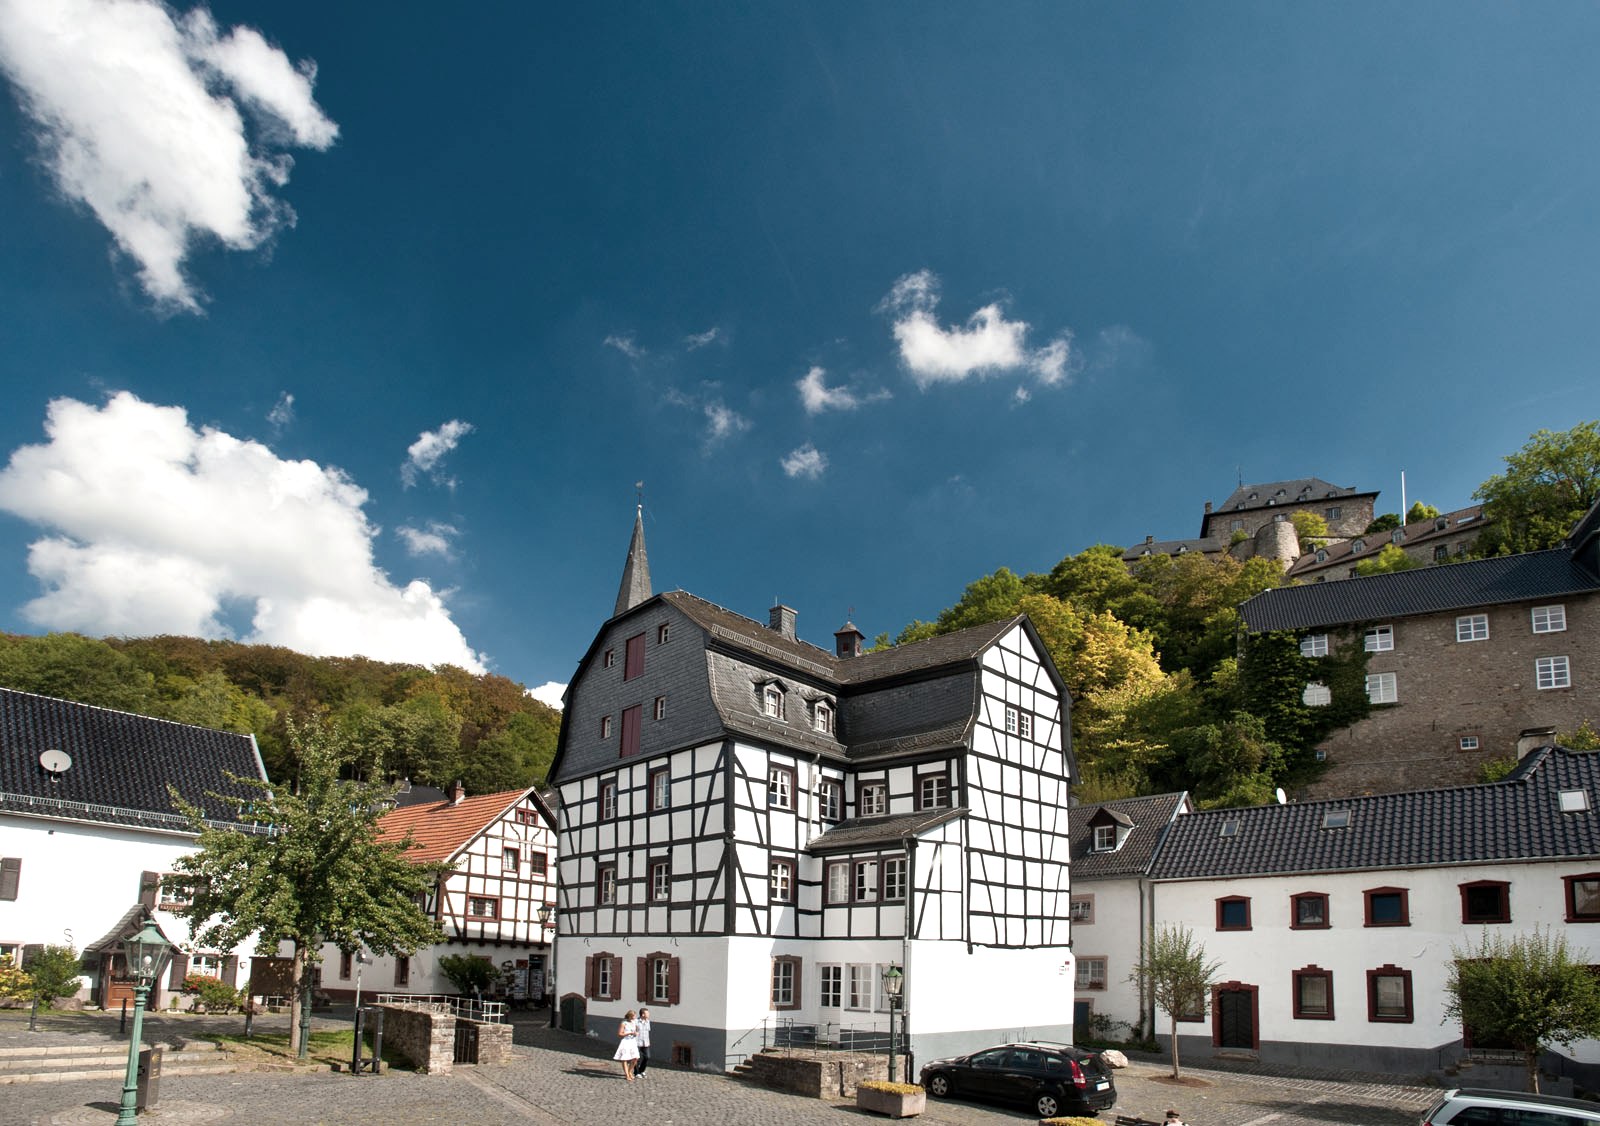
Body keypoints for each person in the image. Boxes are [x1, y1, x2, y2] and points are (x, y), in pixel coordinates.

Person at [613, 1010, 640, 1080]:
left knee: (636, 1058)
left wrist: (636, 1033)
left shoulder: (634, 1022)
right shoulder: (624, 1023)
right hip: (626, 1042)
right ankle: (627, 1074)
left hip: (633, 1041)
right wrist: (629, 1033)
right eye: (634, 1016)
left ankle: (629, 1071)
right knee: (624, 1058)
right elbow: (620, 1034)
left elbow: (637, 1030)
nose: (635, 1017)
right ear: (630, 1016)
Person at [634, 1007, 652, 1077]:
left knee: (647, 1057)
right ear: (643, 1014)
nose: (649, 1014)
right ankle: (636, 1072)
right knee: (636, 1058)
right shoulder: (636, 1021)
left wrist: (648, 1041)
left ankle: (641, 1070)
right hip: (637, 1042)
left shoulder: (648, 1021)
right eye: (647, 1013)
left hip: (645, 1043)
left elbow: (647, 1032)